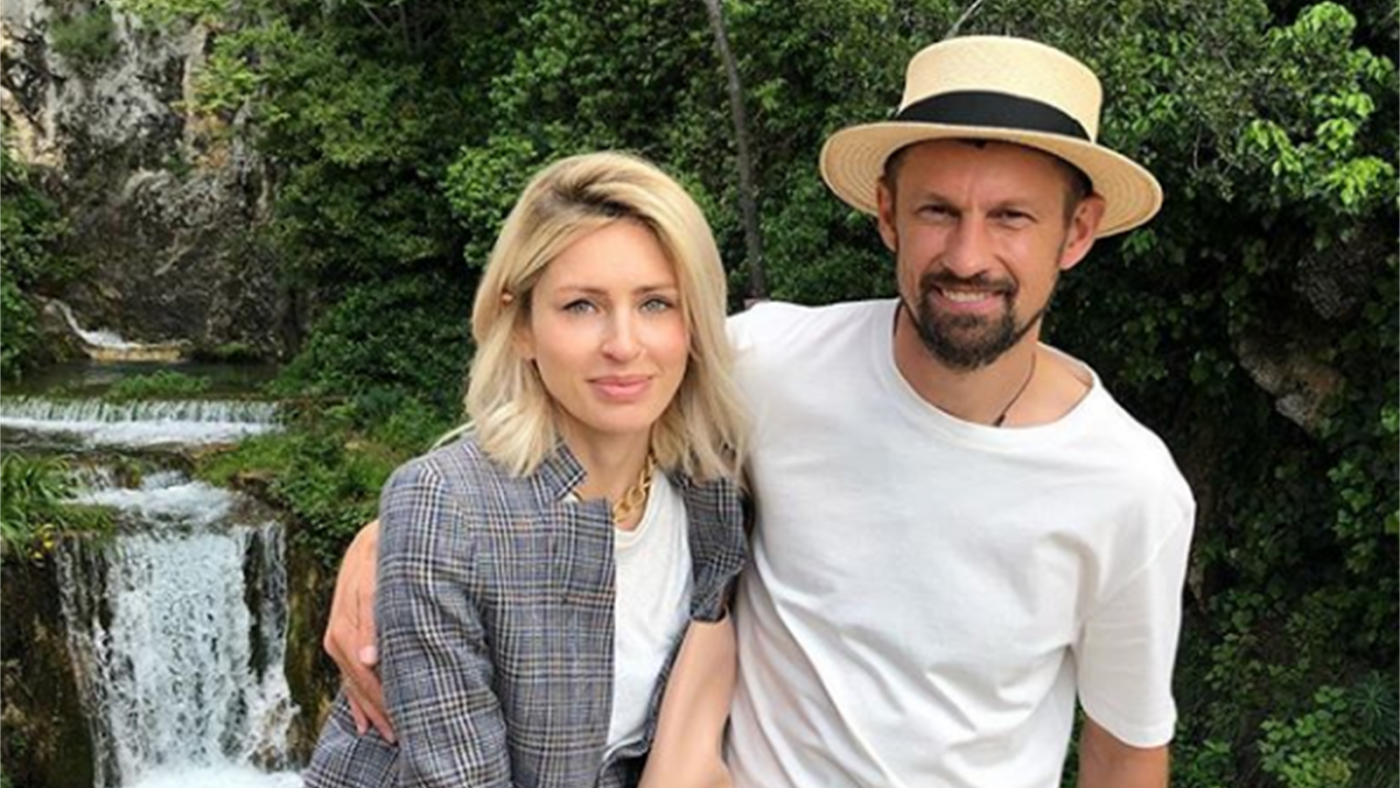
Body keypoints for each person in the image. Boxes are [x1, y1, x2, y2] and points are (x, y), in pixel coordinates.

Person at [324, 36, 1196, 788]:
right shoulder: (775, 364)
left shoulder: (1129, 489)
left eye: (1011, 217)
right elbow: (577, 412)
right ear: (887, 214)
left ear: (1076, 231)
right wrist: (388, 541)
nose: (968, 255)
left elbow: (1125, 751)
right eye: (938, 210)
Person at [304, 151, 749, 788]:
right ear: (520, 326)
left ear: (695, 323)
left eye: (656, 304)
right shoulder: (446, 507)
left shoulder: (711, 491)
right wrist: (398, 531)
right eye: (582, 306)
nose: (624, 345)